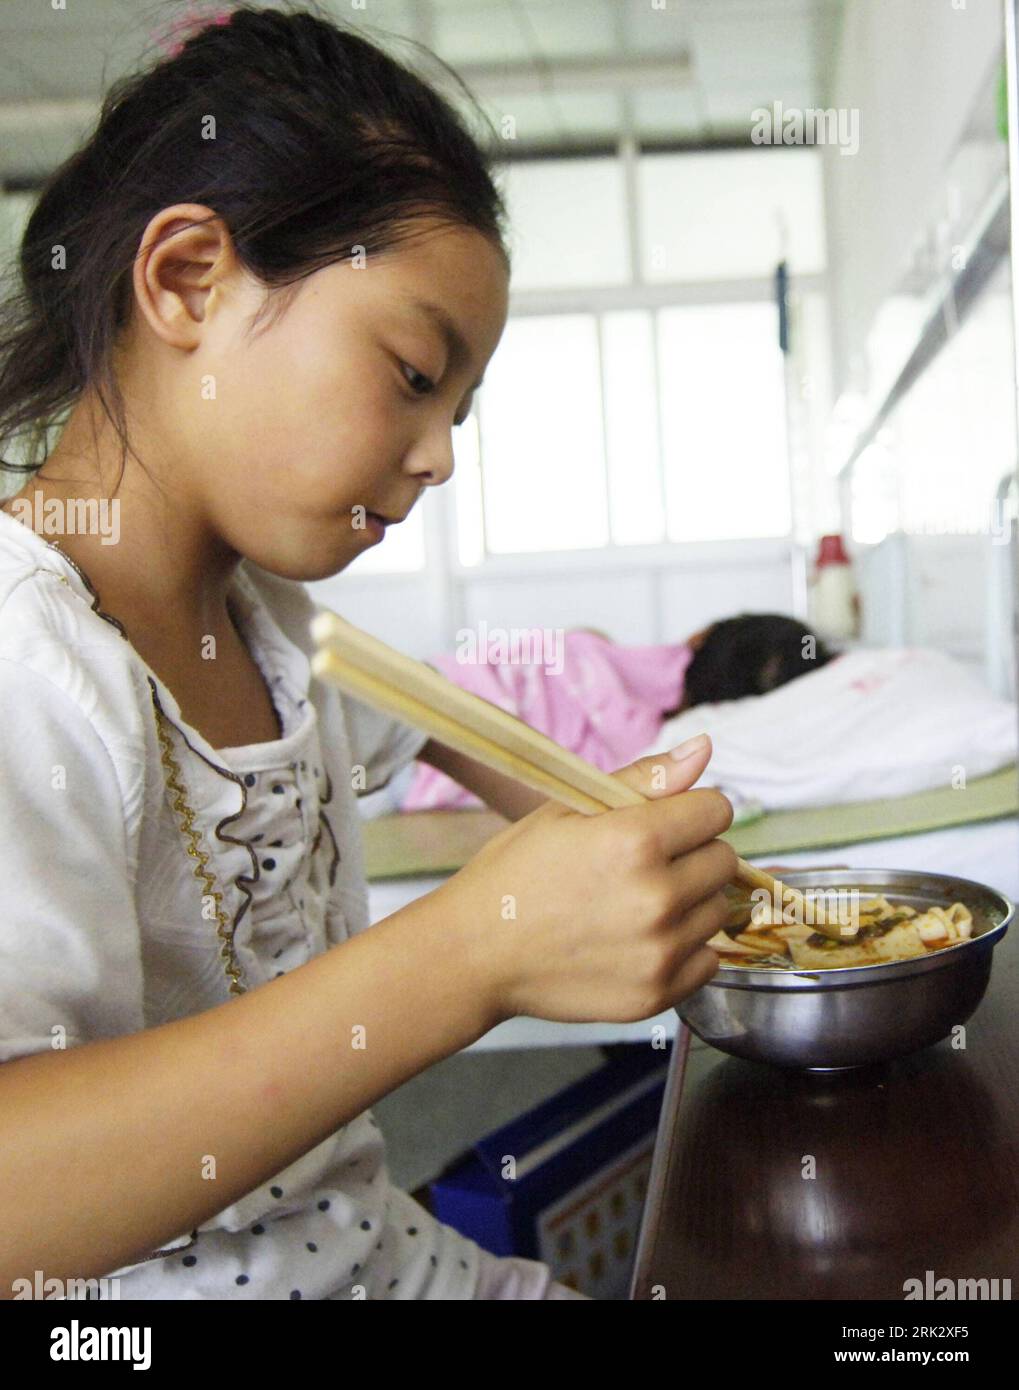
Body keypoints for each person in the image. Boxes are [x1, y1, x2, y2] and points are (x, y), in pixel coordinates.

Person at [0, 3, 736, 1301]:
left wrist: (629, 837)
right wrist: (477, 950)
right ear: (187, 282)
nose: (442, 452)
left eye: (459, 409)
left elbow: (467, 735)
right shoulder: (32, 659)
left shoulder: (278, 630)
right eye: (410, 372)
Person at [402, 615, 835, 813]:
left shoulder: (648, 694)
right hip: (455, 713)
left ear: (703, 635)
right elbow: (578, 653)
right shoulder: (654, 715)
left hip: (440, 691)